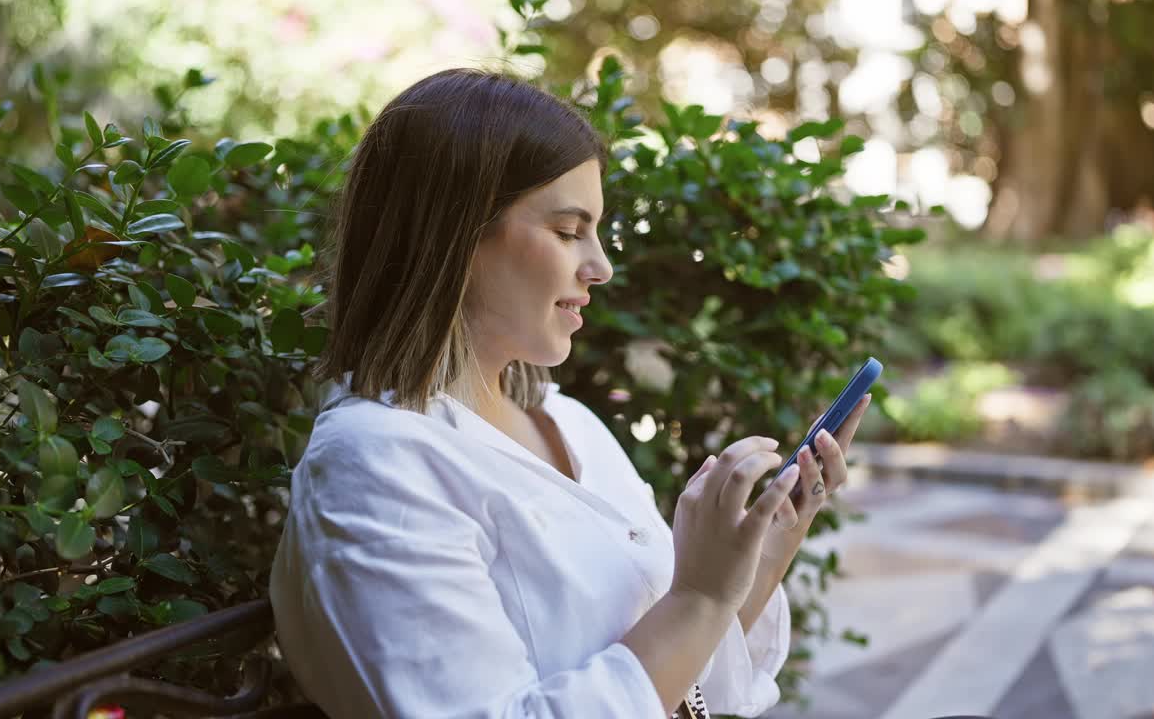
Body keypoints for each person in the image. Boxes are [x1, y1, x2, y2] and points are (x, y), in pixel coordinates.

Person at [268, 67, 871, 718]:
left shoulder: (566, 420)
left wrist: (765, 545)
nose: (601, 266)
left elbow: (685, 687)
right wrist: (696, 595)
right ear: (455, 234)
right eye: (567, 230)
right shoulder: (373, 463)